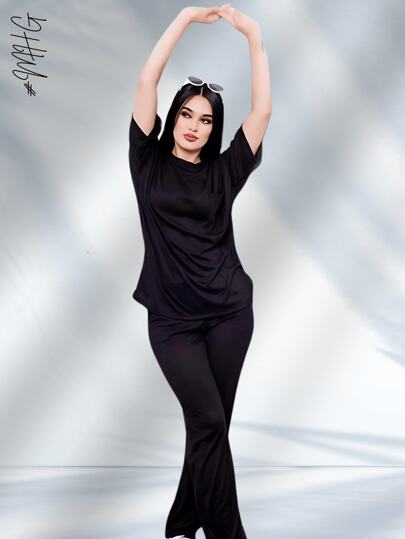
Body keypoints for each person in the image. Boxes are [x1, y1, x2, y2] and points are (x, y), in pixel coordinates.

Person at [128, 4, 271, 538]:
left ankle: (183, 525)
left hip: (229, 313)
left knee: (211, 424)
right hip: (171, 321)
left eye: (206, 120)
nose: (194, 126)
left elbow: (261, 111)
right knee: (208, 421)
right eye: (187, 115)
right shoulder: (146, 160)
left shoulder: (225, 171)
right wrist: (185, 18)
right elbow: (147, 79)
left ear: (214, 129)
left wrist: (253, 39)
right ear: (174, 117)